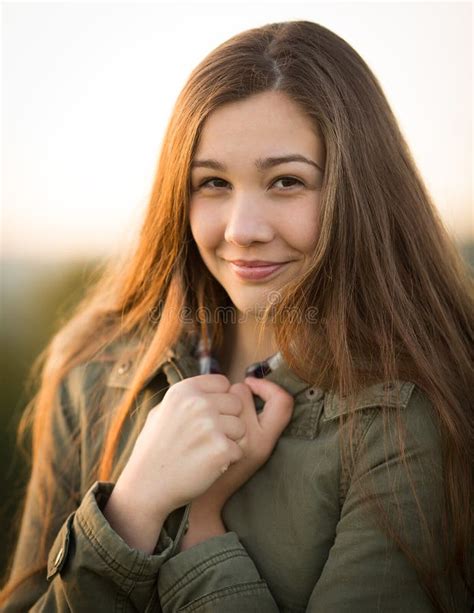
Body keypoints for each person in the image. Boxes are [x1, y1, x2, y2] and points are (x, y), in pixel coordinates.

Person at [0, 19, 472, 613]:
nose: (242, 230)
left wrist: (197, 522)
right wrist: (133, 508)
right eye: (213, 183)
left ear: (358, 194)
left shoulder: (411, 416)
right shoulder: (97, 371)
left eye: (286, 181)